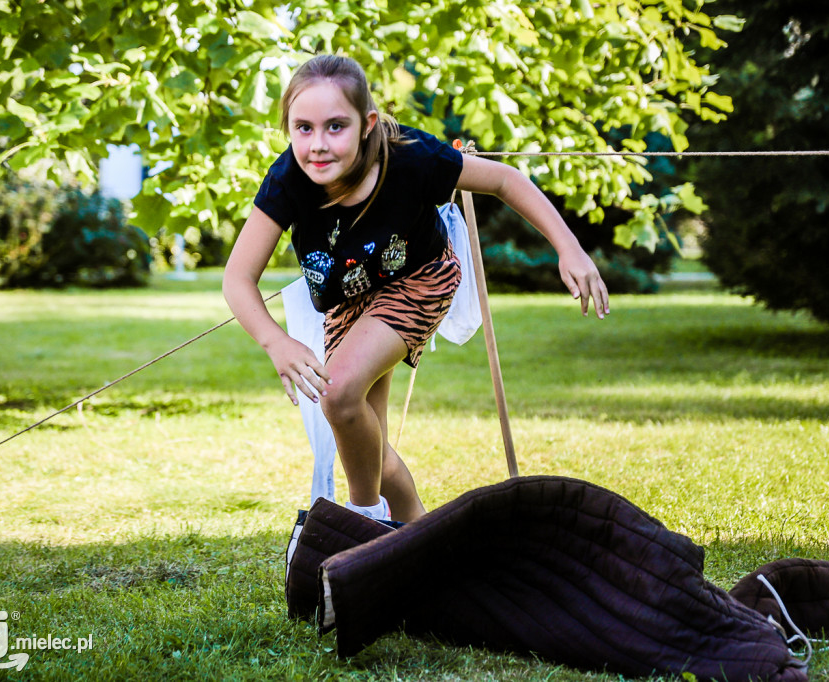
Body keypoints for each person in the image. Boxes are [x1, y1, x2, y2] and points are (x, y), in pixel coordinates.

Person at [223, 54, 609, 523]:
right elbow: (238, 277)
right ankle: (422, 544)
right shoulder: (288, 180)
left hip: (419, 278)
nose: (318, 145)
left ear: (367, 124)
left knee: (339, 393)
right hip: (350, 299)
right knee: (370, 448)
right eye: (303, 128)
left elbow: (505, 180)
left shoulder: (407, 155)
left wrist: (570, 249)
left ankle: (364, 521)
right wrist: (276, 342)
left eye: (336, 127)